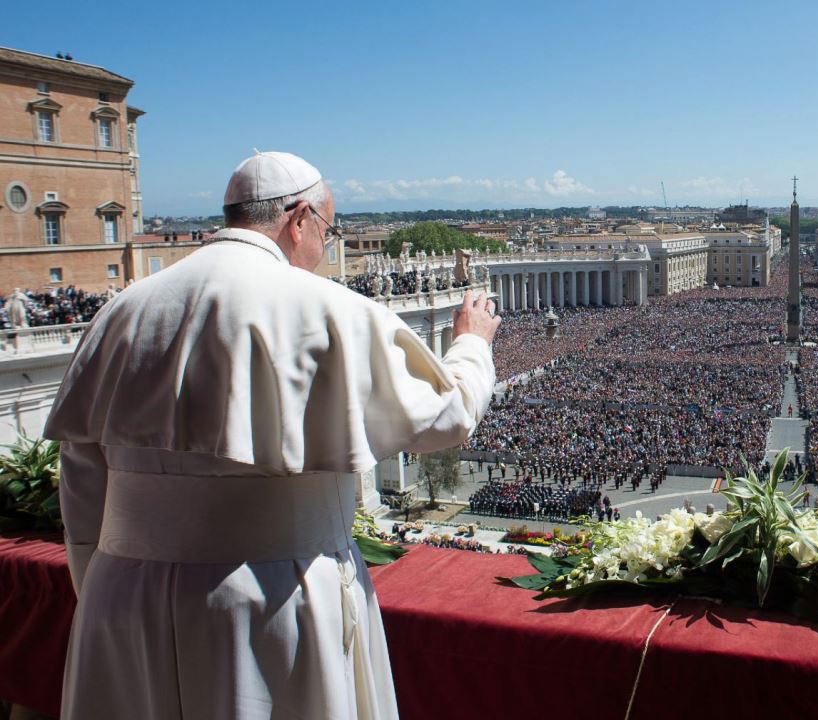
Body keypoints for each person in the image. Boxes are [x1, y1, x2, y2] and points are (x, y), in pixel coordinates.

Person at [44, 151, 501, 720]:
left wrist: (106, 586)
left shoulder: (121, 312)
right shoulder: (331, 308)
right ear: (300, 218)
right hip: (270, 598)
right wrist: (472, 343)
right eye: (328, 232)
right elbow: (447, 417)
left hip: (121, 600)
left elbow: (82, 480)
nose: (325, 247)